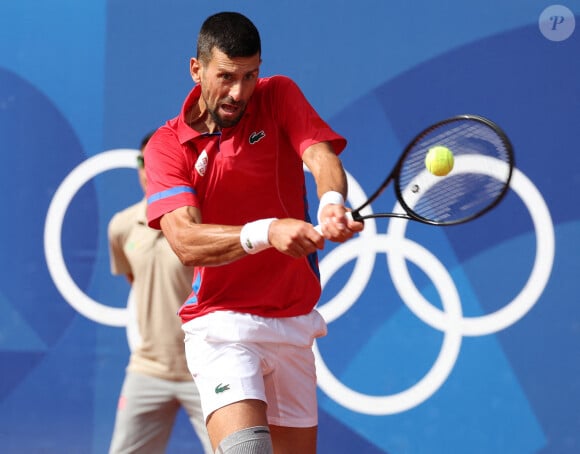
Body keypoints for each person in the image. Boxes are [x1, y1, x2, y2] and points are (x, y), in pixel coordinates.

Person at [144, 11, 364, 454]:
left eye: (250, 76)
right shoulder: (166, 146)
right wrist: (267, 231)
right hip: (221, 325)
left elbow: (320, 157)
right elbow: (185, 241)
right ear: (196, 69)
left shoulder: (278, 94)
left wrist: (331, 203)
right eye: (226, 76)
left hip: (293, 322)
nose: (238, 91)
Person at [107, 133, 212, 454]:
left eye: (154, 161)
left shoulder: (204, 224)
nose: (147, 170)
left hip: (207, 368)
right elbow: (135, 282)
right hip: (148, 368)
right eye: (142, 162)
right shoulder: (122, 226)